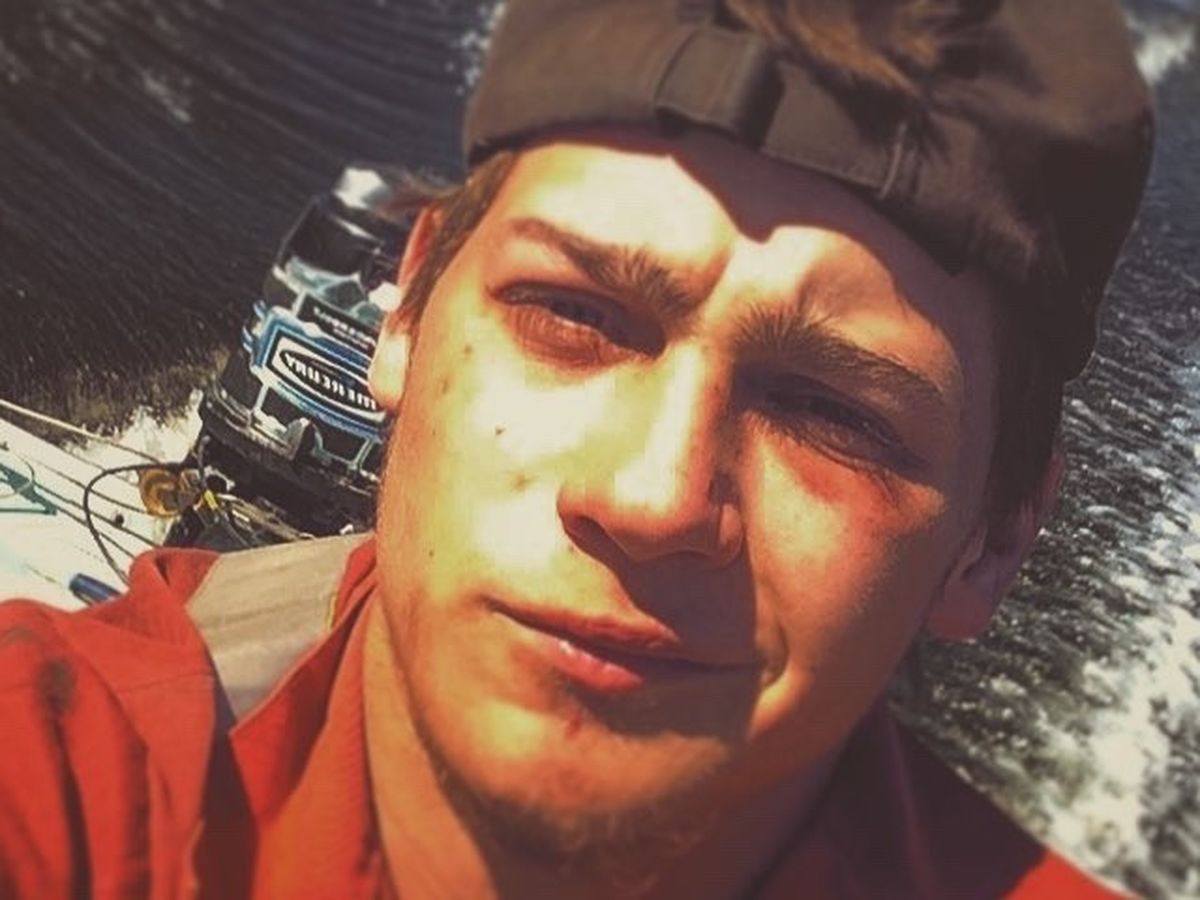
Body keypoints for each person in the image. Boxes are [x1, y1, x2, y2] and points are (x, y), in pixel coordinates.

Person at [0, 0, 1154, 897]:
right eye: (570, 314)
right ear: (404, 315)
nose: (650, 496)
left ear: (992, 544)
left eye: (836, 415)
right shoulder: (62, 765)